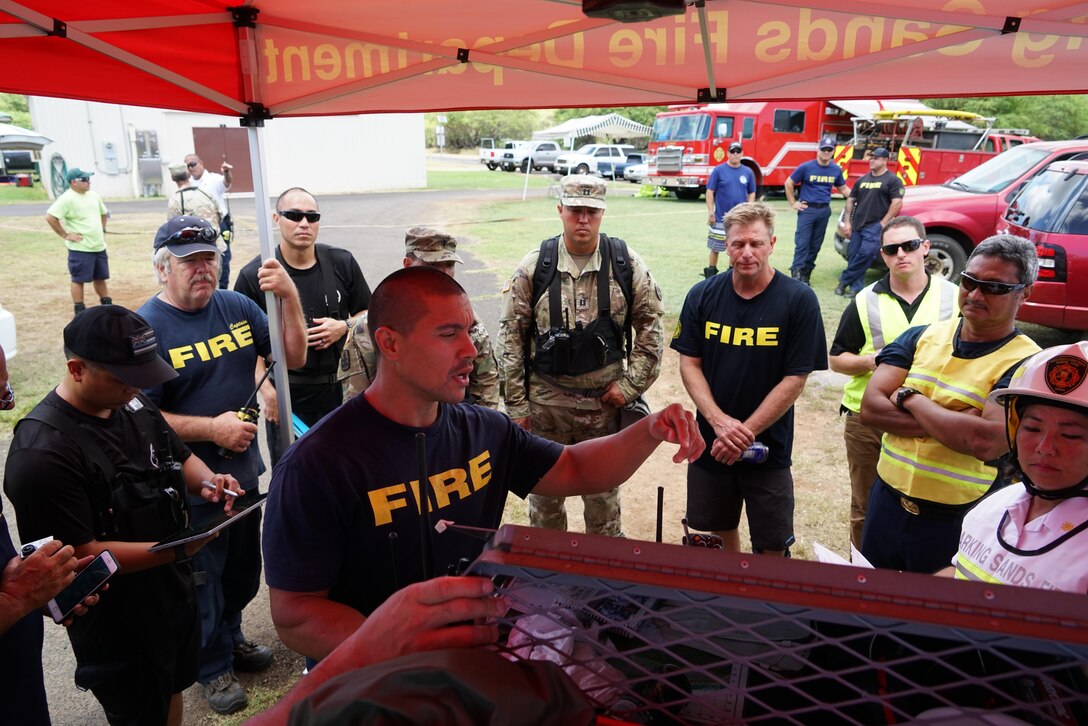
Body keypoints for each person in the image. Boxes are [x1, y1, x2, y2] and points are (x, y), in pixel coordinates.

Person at [263, 266, 702, 663]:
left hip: (476, 656)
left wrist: (648, 431)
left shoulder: (485, 430)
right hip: (374, 683)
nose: (471, 349)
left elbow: (576, 469)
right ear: (390, 343)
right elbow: (296, 613)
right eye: (449, 333)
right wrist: (400, 649)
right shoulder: (319, 463)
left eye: (470, 331)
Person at [3, 305, 243, 726]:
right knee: (139, 710)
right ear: (76, 369)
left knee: (170, 691)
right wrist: (178, 549)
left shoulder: (131, 404)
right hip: (119, 624)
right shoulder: (43, 453)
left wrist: (208, 481)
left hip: (170, 595)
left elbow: (176, 454)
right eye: (124, 379)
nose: (136, 389)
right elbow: (79, 555)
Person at [138, 216, 307, 715]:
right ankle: (210, 667)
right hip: (192, 484)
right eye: (189, 262)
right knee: (202, 580)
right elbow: (142, 418)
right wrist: (210, 429)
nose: (203, 269)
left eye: (209, 258)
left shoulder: (237, 306)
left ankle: (231, 639)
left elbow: (291, 358)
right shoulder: (146, 328)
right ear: (162, 268)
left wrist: (290, 298)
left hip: (244, 473)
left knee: (239, 570)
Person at [860, 234, 1041, 574]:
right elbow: (870, 408)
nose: (974, 294)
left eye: (994, 288)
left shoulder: (1027, 362)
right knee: (867, 605)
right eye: (969, 281)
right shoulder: (922, 336)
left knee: (934, 622)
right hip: (886, 501)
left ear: (1025, 292)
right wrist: (953, 423)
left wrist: (909, 398)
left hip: (959, 517)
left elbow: (984, 442)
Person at [499, 175, 664, 537]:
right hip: (545, 408)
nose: (583, 220)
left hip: (603, 406)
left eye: (592, 211)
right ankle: (547, 578)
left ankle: (604, 580)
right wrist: (517, 407)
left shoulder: (626, 264)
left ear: (602, 214)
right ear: (561, 210)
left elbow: (651, 331)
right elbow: (510, 339)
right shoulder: (534, 266)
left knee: (603, 504)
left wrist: (629, 387)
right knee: (544, 505)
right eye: (575, 210)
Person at [671, 201, 827, 556]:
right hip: (712, 445)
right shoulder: (703, 294)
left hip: (767, 448)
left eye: (756, 243)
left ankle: (767, 607)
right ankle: (730, 600)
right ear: (725, 246)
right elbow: (689, 363)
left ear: (773, 244)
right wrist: (719, 422)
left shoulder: (798, 300)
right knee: (719, 531)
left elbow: (795, 379)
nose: (746, 253)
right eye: (738, 243)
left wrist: (744, 432)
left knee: (771, 546)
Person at [829, 217, 959, 549]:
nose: (901, 253)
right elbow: (836, 358)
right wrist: (873, 362)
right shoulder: (865, 300)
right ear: (883, 255)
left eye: (910, 245)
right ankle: (863, 581)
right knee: (866, 506)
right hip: (867, 418)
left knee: (927, 508)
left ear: (925, 247)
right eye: (891, 249)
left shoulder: (955, 299)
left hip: (930, 419)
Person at [235, 187, 371, 466]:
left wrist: (343, 325)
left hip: (341, 393)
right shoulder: (256, 275)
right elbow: (244, 344)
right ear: (276, 219)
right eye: (294, 215)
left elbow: (371, 311)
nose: (304, 223)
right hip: (289, 396)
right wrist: (269, 394)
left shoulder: (341, 262)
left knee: (347, 472)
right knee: (293, 477)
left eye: (312, 216)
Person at [944, 342, 1088, 592]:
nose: (1045, 447)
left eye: (1071, 435)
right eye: (1032, 428)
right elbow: (960, 573)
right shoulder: (994, 506)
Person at [339, 227, 499, 407]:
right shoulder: (369, 328)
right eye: (432, 266)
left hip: (456, 428)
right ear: (407, 265)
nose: (444, 274)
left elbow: (486, 387)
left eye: (449, 265)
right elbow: (357, 404)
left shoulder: (469, 322)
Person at [835, 147, 905, 298]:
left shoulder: (893, 180)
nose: (872, 160)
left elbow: (897, 203)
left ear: (885, 160)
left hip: (875, 226)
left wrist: (883, 223)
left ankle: (843, 281)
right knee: (854, 256)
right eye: (871, 157)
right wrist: (848, 222)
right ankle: (855, 289)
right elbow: (851, 201)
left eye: (876, 158)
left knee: (866, 254)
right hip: (857, 226)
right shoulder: (862, 180)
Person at [45, 167, 111, 316]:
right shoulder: (66, 198)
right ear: (73, 182)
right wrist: (65, 234)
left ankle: (107, 304)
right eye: (84, 180)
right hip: (81, 248)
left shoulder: (94, 195)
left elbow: (103, 213)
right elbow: (50, 217)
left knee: (100, 277)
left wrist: (102, 228)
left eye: (88, 179)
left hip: (98, 246)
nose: (88, 182)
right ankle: (79, 309)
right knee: (78, 279)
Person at [785, 136, 849, 285]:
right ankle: (797, 274)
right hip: (808, 210)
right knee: (802, 243)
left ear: (833, 151)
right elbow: (789, 182)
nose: (826, 152)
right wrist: (793, 203)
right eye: (823, 149)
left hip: (824, 211)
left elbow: (843, 189)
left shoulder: (835, 169)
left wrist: (859, 197)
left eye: (829, 150)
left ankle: (806, 273)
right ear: (818, 150)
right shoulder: (806, 167)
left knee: (815, 245)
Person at [704, 141, 756, 278]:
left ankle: (731, 273)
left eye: (738, 151)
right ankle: (711, 274)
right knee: (715, 247)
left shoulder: (747, 172)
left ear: (742, 154)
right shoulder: (719, 170)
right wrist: (711, 212)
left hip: (740, 219)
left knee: (735, 247)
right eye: (732, 151)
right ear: (727, 153)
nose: (735, 154)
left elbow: (752, 192)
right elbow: (710, 192)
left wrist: (750, 208)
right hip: (720, 217)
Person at [184, 153, 234, 288]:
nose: (190, 168)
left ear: (201, 163)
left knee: (222, 257)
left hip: (219, 226)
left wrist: (227, 172)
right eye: (187, 166)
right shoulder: (188, 184)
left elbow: (226, 182)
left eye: (192, 164)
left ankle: (222, 289)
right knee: (202, 259)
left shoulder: (213, 179)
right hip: (197, 228)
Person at [166, 162, 221, 228]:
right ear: (189, 175)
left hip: (196, 237)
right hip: (215, 236)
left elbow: (172, 226)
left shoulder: (175, 200)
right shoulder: (206, 193)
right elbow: (220, 215)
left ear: (173, 178)